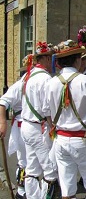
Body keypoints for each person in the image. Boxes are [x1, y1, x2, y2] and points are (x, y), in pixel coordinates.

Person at [44, 40, 86, 199]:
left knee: (67, 189)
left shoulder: (50, 83)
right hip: (82, 139)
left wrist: (55, 127)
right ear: (77, 60)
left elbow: (46, 112)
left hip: (60, 139)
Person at [20, 41, 58, 199]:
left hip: (26, 126)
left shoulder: (28, 76)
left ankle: (31, 197)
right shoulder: (45, 79)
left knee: (32, 169)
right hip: (38, 128)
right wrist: (52, 127)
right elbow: (46, 109)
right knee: (50, 171)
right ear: (47, 59)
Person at [0, 55, 33, 199]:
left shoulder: (36, 82)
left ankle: (30, 191)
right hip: (22, 127)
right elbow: (3, 101)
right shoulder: (21, 84)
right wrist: (2, 123)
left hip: (34, 128)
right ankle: (22, 191)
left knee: (32, 162)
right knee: (25, 161)